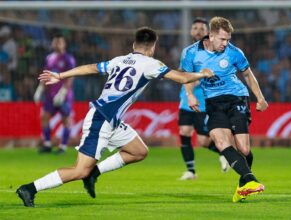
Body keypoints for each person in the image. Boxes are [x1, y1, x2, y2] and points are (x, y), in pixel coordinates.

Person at [16, 27, 214, 207]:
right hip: (101, 119)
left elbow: (91, 68)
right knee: (79, 170)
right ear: (152, 47)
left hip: (111, 120)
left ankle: (94, 173)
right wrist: (203, 73)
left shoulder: (119, 60)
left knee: (138, 151)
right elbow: (182, 78)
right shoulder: (151, 64)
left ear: (134, 45)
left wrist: (60, 75)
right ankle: (29, 188)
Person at [181, 16, 268, 202]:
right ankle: (250, 181)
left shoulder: (234, 52)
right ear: (210, 36)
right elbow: (186, 76)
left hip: (236, 97)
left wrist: (260, 97)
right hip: (213, 103)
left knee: (244, 149)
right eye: (222, 39)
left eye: (228, 39)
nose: (225, 43)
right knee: (221, 143)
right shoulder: (190, 53)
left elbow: (248, 74)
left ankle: (242, 186)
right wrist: (190, 94)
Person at [178, 17, 229, 180]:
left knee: (203, 140)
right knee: (184, 131)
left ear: (208, 32)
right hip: (186, 99)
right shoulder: (187, 51)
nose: (198, 31)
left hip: (205, 101)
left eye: (202, 28)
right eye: (195, 28)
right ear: (191, 31)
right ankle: (191, 171)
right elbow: (184, 73)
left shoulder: (216, 51)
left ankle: (224, 153)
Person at [34, 35, 76, 154]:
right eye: (55, 42)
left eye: (59, 42)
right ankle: (47, 144)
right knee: (44, 117)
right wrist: (40, 89)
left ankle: (63, 146)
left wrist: (63, 92)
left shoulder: (69, 59)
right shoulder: (49, 58)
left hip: (64, 96)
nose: (57, 44)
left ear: (64, 44)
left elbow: (71, 76)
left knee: (65, 119)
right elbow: (45, 74)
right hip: (50, 95)